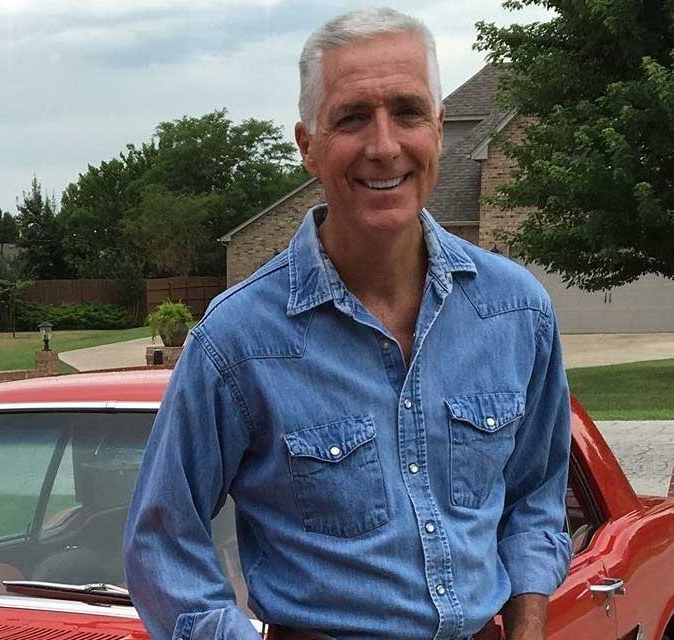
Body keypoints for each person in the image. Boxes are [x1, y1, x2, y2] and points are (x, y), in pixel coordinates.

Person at [123, 7, 572, 640]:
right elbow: (162, 540)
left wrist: (526, 625)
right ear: (308, 145)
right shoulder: (239, 341)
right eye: (353, 117)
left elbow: (535, 496)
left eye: (408, 112)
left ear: (439, 130)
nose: (384, 145)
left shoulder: (516, 311)